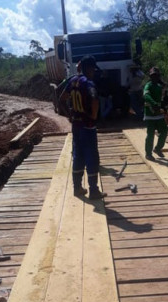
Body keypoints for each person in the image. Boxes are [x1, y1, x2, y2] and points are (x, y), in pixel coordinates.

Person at [59, 55, 106, 199]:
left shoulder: (72, 81)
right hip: (88, 127)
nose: (94, 72)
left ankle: (77, 188)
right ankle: (94, 190)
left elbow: (61, 98)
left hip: (76, 126)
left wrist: (69, 115)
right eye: (93, 69)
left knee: (78, 156)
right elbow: (94, 100)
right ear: (90, 68)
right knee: (92, 156)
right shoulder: (89, 83)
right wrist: (93, 116)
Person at [143, 67, 168, 161]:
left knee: (164, 131)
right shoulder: (148, 85)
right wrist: (154, 104)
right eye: (153, 76)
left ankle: (157, 148)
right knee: (150, 134)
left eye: (156, 76)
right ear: (150, 76)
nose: (155, 77)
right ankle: (148, 154)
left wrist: (163, 105)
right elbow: (146, 95)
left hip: (158, 114)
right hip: (150, 114)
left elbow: (161, 99)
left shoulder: (159, 86)